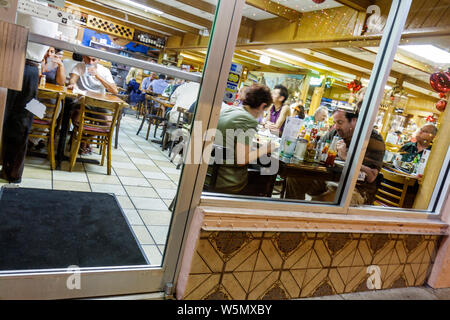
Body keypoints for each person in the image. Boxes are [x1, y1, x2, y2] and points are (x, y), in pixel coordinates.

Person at [286, 106, 385, 205]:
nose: (336, 126)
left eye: (340, 122)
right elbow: (317, 148)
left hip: (358, 189)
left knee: (321, 202)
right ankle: (291, 214)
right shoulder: (336, 132)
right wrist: (306, 142)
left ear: (354, 121)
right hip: (329, 179)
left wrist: (347, 157)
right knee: (295, 178)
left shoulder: (373, 139)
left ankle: (308, 217)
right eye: (335, 122)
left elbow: (371, 176)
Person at [1, 14, 58, 183]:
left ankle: (9, 169)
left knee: (5, 119)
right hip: (32, 71)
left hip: (12, 63)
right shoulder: (52, 19)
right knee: (22, 123)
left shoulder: (26, 9)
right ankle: (13, 173)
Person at [209, 84, 275, 195]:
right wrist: (266, 149)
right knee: (266, 179)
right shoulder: (248, 120)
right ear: (262, 106)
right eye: (265, 110)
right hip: (227, 180)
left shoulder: (229, 110)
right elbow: (241, 160)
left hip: (207, 172)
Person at [67, 55, 118, 155]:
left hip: (99, 104)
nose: (90, 62)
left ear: (99, 59)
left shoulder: (104, 71)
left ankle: (84, 140)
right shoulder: (79, 66)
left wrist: (98, 76)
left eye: (93, 59)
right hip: (83, 101)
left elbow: (114, 91)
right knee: (76, 120)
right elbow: (73, 79)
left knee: (109, 125)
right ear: (83, 57)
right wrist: (73, 84)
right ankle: (83, 141)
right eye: (88, 59)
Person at [28, 47, 67, 150]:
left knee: (55, 110)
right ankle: (36, 139)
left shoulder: (57, 65)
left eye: (52, 51)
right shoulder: (36, 61)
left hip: (51, 99)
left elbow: (61, 82)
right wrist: (42, 66)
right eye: (47, 50)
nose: (49, 54)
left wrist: (60, 65)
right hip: (36, 96)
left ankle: (32, 140)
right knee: (33, 112)